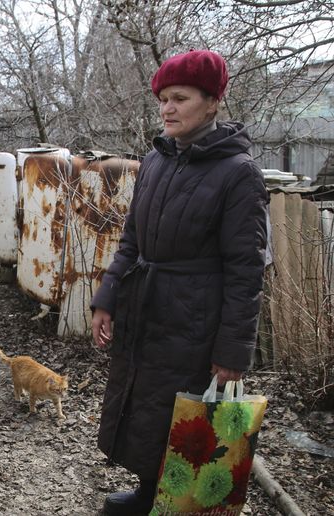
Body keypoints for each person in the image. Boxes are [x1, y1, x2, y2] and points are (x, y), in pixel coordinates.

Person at [90, 50, 268, 515]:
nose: (167, 108)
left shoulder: (239, 174)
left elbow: (246, 271)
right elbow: (131, 238)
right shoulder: (156, 160)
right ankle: (152, 496)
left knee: (185, 414)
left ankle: (179, 504)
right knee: (147, 408)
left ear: (212, 103)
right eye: (163, 98)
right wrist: (106, 298)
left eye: (180, 98)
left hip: (195, 318)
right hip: (147, 306)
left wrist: (231, 353)